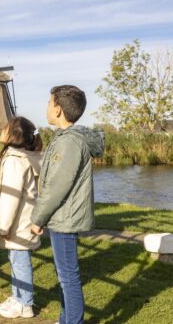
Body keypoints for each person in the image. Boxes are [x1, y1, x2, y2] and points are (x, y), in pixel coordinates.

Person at [30, 85, 104, 324]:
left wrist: (38, 218)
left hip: (65, 218)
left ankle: (72, 321)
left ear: (59, 109)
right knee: (65, 275)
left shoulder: (69, 143)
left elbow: (57, 186)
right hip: (63, 216)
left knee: (68, 277)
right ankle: (66, 319)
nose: (47, 108)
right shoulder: (65, 138)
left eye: (49, 103)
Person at [0, 116, 43, 319]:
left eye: (5, 127)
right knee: (16, 258)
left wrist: (3, 226)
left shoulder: (15, 161)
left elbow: (12, 197)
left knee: (20, 260)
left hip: (18, 223)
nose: (2, 129)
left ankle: (25, 304)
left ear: (14, 134)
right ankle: (18, 296)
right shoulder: (17, 156)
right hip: (21, 222)